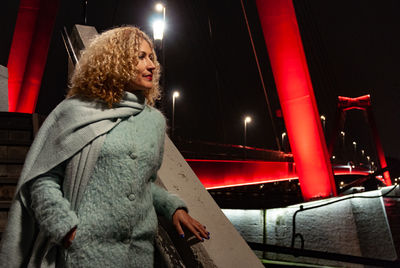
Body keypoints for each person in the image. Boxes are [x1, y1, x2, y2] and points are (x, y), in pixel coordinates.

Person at [0, 26, 209, 267]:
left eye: (152, 57)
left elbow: (144, 184)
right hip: (85, 253)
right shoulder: (76, 112)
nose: (151, 65)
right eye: (141, 57)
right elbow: (43, 180)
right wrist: (65, 227)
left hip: (139, 254)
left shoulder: (154, 122)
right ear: (115, 62)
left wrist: (173, 207)